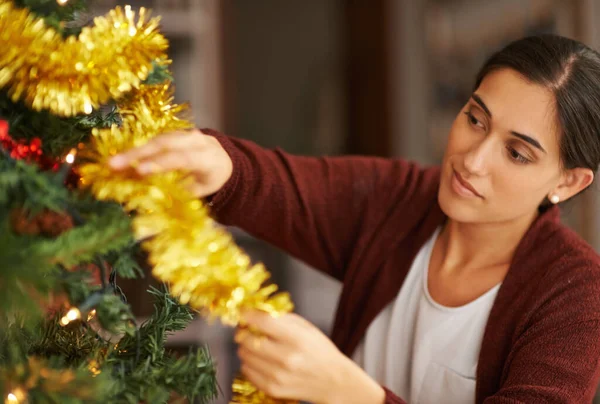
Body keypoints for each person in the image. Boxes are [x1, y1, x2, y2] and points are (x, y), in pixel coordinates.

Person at [109, 35, 600, 403]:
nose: (473, 160)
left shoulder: (577, 298)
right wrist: (218, 162)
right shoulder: (398, 200)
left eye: (516, 153)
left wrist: (351, 393)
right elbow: (278, 185)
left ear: (568, 183)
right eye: (475, 119)